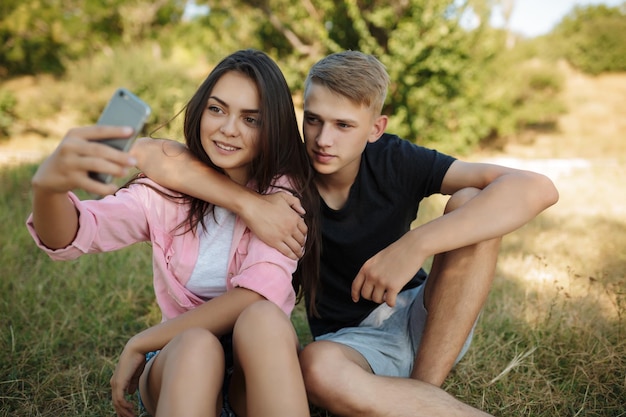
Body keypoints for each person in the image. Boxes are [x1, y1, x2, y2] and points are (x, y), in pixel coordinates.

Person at [131, 51, 559, 416]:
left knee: (469, 201)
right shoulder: (288, 173)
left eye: (343, 125)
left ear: (375, 128)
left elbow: (536, 187)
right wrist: (248, 203)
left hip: (427, 320)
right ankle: (418, 403)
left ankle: (427, 393)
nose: (323, 140)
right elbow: (151, 153)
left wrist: (417, 243)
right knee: (314, 367)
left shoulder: (395, 159)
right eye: (313, 120)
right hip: (347, 346)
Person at [26, 49, 320, 417]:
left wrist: (140, 341)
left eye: (251, 119)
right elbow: (76, 232)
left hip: (257, 372)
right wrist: (48, 190)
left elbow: (255, 297)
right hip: (180, 363)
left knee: (262, 319)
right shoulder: (167, 193)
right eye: (217, 109)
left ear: (272, 126)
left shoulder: (282, 196)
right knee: (198, 345)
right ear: (200, 110)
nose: (228, 128)